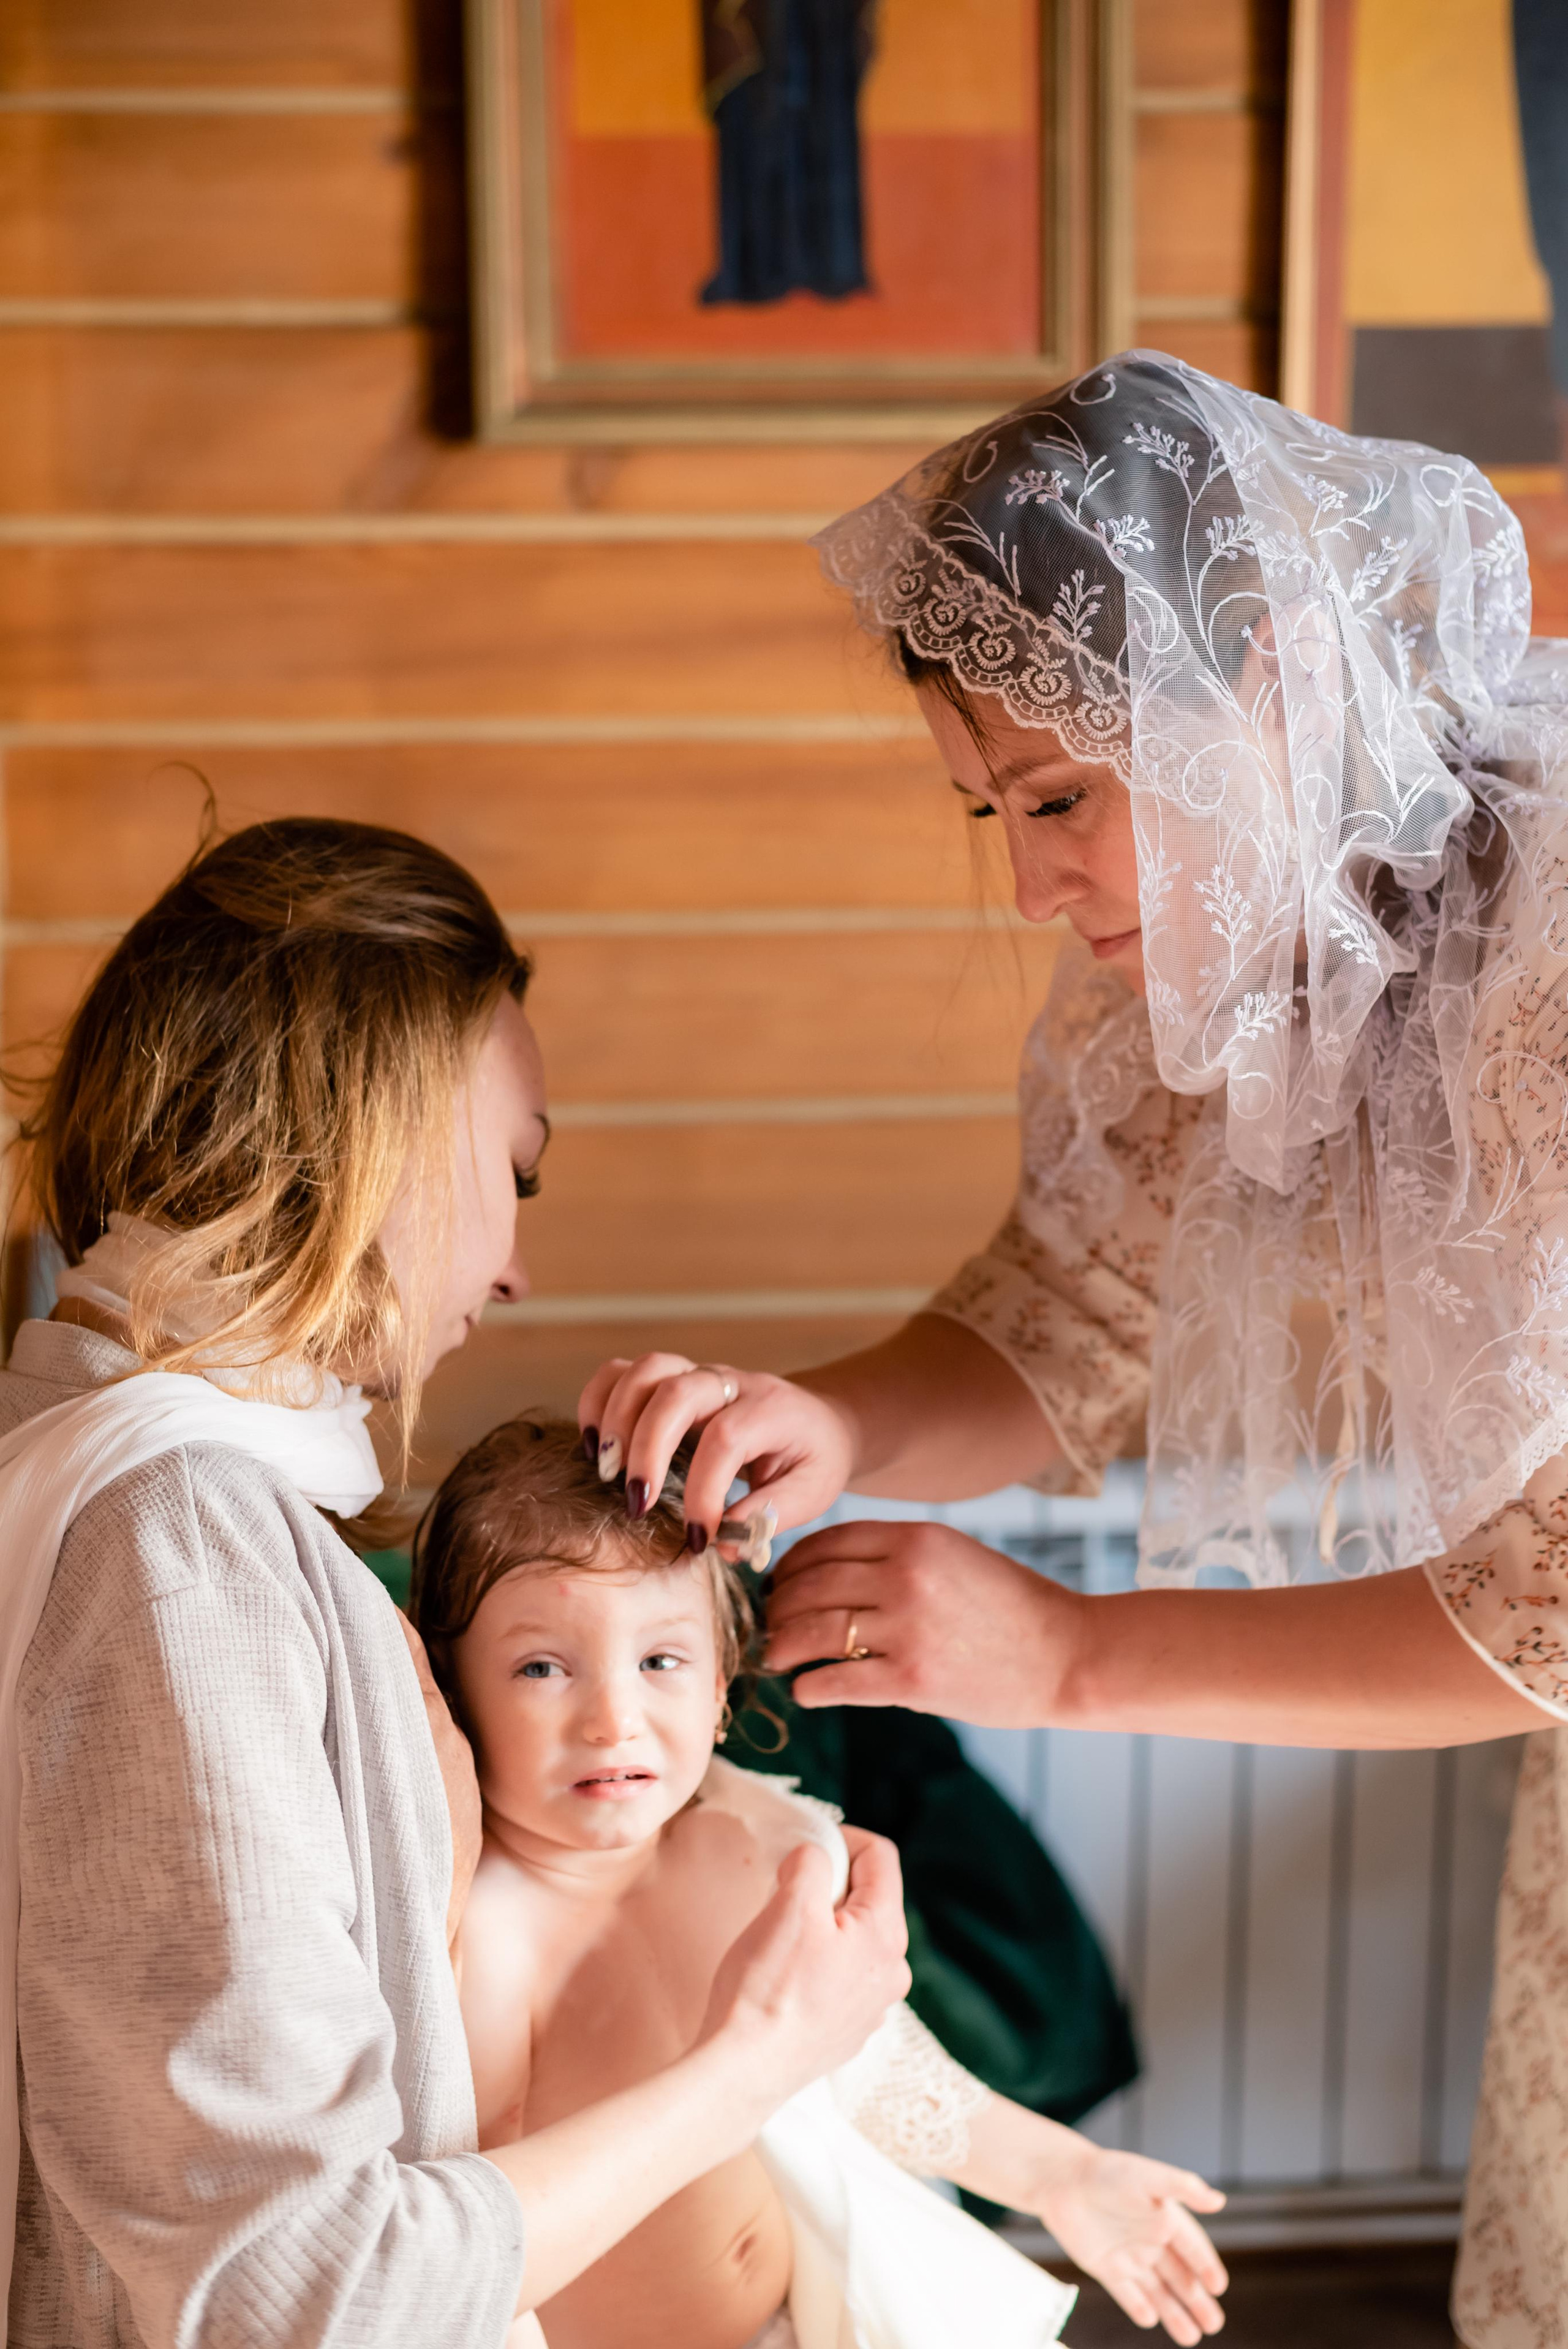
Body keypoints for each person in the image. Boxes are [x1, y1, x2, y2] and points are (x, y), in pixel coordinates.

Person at [577, 352, 1568, 2349]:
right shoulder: (1259, 938)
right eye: (991, 809)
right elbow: (1063, 1323)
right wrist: (830, 1418)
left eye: (1057, 798)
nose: (1029, 881)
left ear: (1267, 684)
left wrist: (1073, 1652)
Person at [1, 818, 910, 2349]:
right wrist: (756, 2060)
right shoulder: (179, 1547)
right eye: (516, 1174)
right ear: (383, 1128)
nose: (511, 1271)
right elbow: (295, 2289)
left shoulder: (144, 1494)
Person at [409, 1410, 1229, 2349]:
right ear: (457, 1689)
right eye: (542, 1666)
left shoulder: (751, 1850)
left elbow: (878, 2075)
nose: (613, 1718)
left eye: (660, 1659)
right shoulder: (485, 1934)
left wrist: (1062, 2175)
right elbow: (472, 2238)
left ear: (721, 1687)